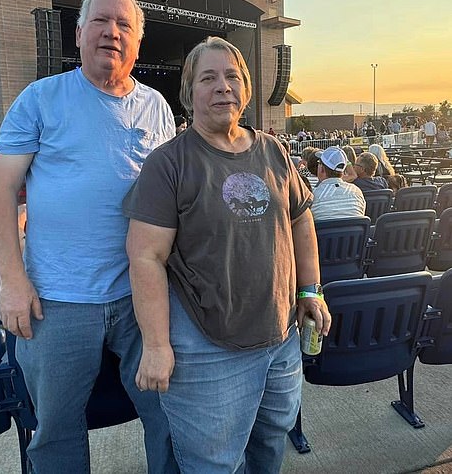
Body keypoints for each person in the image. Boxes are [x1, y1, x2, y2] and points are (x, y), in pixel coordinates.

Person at [0, 0, 178, 474]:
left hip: (141, 298)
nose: (111, 31)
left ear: (137, 40)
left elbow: (170, 199)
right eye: (100, 20)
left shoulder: (156, 107)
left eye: (123, 24)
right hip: (57, 301)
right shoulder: (39, 99)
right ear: (78, 33)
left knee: (170, 415)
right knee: (57, 432)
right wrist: (12, 280)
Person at [122, 36, 330, 474]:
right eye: (208, 78)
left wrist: (311, 290)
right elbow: (145, 258)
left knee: (270, 448)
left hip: (280, 340)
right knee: (214, 465)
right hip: (206, 350)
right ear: (189, 93)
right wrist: (157, 345)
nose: (223, 87)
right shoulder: (169, 164)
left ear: (247, 88)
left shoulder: (273, 151)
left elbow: (300, 219)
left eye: (232, 76)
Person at [310, 146, 366, 221]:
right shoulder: (357, 192)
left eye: (319, 163)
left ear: (322, 168)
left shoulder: (312, 197)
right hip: (354, 232)